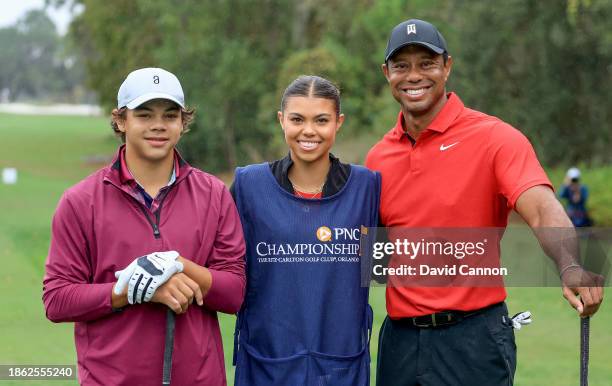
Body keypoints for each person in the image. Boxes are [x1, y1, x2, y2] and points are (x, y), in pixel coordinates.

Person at [365, 19, 604, 386]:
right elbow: (373, 257)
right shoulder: (378, 158)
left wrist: (570, 263)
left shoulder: (495, 138)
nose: (414, 76)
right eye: (401, 66)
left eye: (426, 63)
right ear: (387, 73)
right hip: (400, 343)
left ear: (447, 66)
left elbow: (540, 207)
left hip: (473, 340)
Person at [42, 67, 246, 386]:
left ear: (182, 123)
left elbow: (234, 293)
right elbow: (57, 299)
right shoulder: (80, 201)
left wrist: (178, 265)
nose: (158, 126)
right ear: (122, 121)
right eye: (144, 114)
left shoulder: (214, 195)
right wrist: (134, 291)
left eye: (169, 115)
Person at [231, 75, 380, 386]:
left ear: (339, 122)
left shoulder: (367, 188)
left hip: (342, 367)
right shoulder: (249, 186)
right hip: (266, 363)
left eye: (321, 120)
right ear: (281, 120)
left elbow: (389, 268)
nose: (308, 131)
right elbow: (221, 269)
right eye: (297, 119)